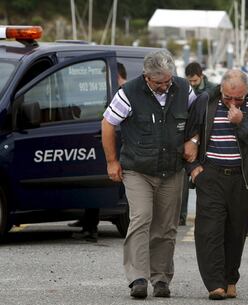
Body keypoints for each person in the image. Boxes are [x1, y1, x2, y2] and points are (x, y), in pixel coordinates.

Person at [101, 50, 196, 299]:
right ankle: (138, 278)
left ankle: (162, 278)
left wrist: (194, 140)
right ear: (146, 77)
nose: (165, 86)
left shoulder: (184, 89)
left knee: (166, 227)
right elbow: (108, 123)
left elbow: (197, 119)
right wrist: (112, 161)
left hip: (172, 169)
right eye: (159, 82)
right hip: (137, 169)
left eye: (168, 81)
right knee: (141, 218)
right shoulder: (128, 93)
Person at [184, 69, 248, 300]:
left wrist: (241, 122)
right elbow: (188, 133)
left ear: (247, 91)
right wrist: (193, 168)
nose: (233, 102)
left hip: (242, 177)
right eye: (228, 98)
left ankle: (230, 278)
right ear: (221, 89)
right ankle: (215, 284)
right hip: (211, 174)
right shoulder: (205, 100)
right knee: (209, 231)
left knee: (237, 230)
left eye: (238, 98)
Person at [71, 62, 128, 242]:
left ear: (116, 75)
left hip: (119, 148)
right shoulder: (118, 92)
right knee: (93, 183)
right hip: (107, 144)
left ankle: (90, 227)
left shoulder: (126, 93)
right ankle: (87, 223)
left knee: (100, 184)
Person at [178, 62, 218, 226]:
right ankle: (181, 216)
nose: (192, 84)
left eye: (195, 81)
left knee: (203, 179)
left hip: (206, 138)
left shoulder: (213, 90)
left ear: (201, 76)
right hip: (187, 136)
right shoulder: (184, 89)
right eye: (190, 81)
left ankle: (205, 216)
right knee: (183, 181)